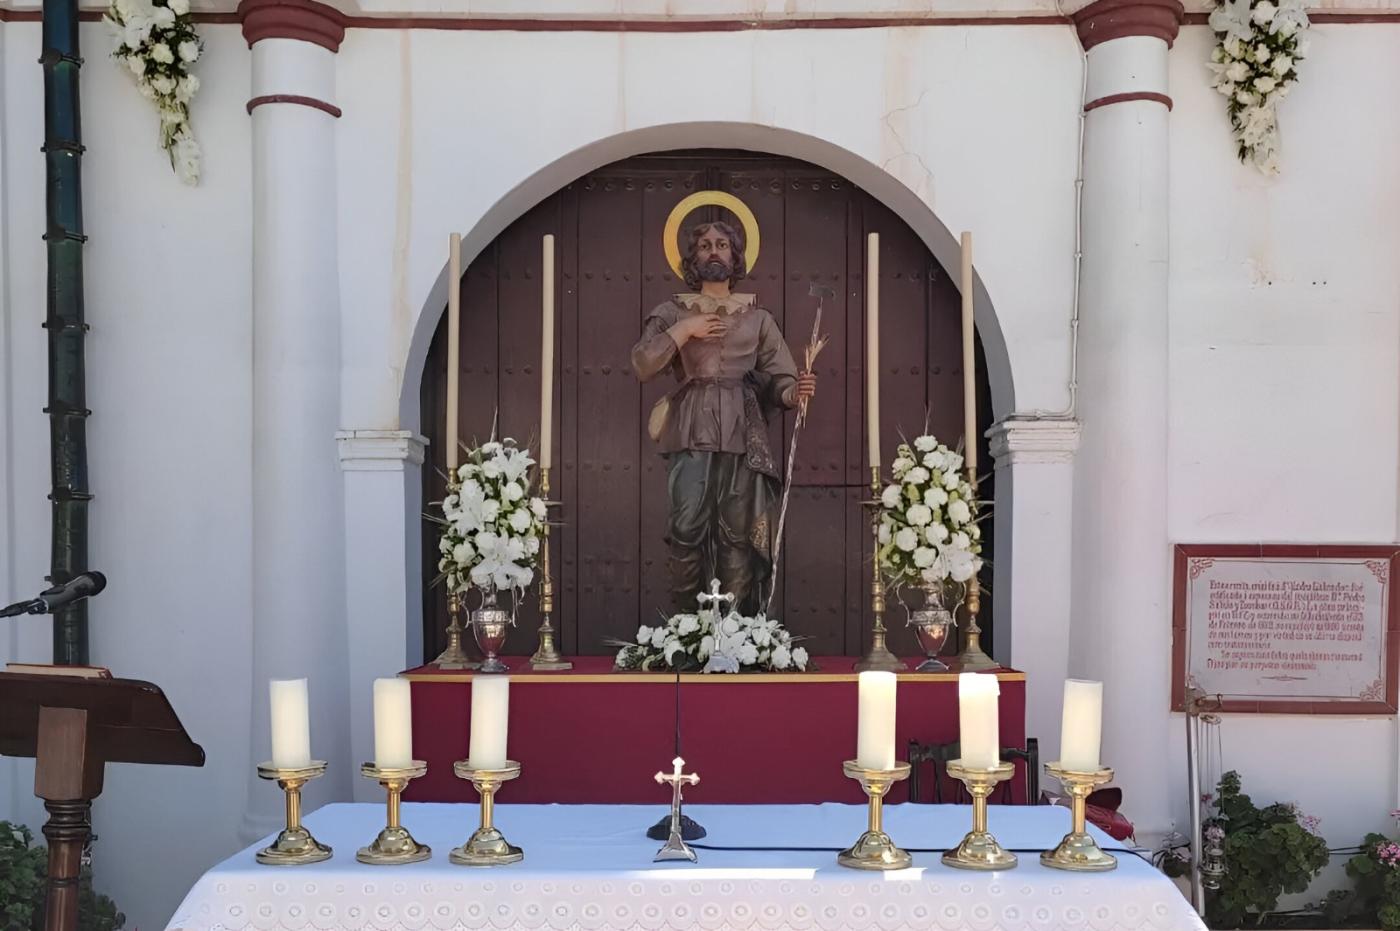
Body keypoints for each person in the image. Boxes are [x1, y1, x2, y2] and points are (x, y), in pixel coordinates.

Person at [631, 219, 816, 614]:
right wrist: (685, 329)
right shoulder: (671, 311)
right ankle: (685, 626)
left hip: (741, 431)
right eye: (704, 246)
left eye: (722, 245)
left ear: (734, 256)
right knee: (685, 529)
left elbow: (780, 374)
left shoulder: (757, 318)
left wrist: (791, 392)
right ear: (692, 258)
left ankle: (732, 628)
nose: (713, 252)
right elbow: (644, 363)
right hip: (689, 428)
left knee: (738, 533)